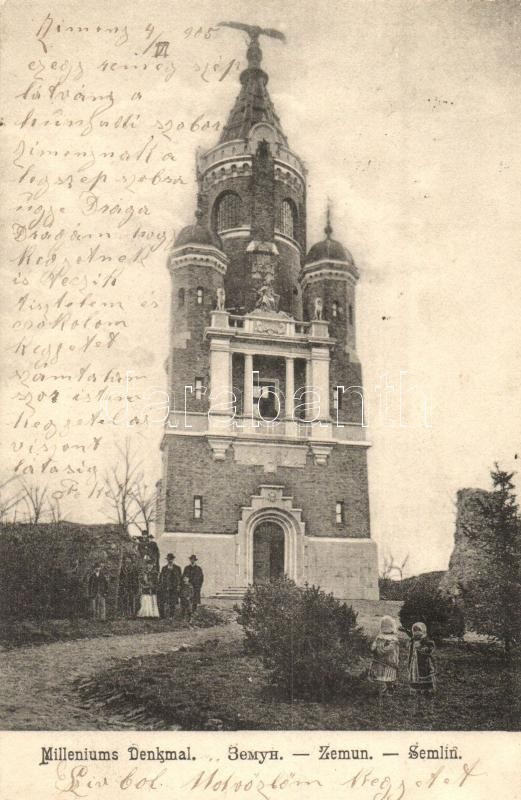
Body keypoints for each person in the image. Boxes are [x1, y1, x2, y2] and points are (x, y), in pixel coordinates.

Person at [369, 615, 400, 707]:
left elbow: (389, 649)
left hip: (388, 660)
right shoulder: (380, 636)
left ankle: (389, 687)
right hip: (381, 661)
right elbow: (374, 645)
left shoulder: (393, 639)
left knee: (388, 675)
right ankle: (384, 688)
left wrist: (378, 649)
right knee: (382, 676)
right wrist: (375, 647)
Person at [408, 621, 436, 710]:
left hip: (424, 663)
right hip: (414, 662)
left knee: (424, 676)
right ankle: (417, 690)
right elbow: (410, 652)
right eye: (414, 631)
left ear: (423, 631)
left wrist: (426, 649)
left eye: (418, 630)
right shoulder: (412, 640)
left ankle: (426, 692)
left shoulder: (426, 639)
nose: (416, 633)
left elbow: (431, 647)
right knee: (416, 677)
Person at [158, 553, 182, 618]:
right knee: (163, 601)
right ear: (167, 560)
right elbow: (161, 578)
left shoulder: (177, 568)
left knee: (173, 602)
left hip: (174, 588)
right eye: (168, 559)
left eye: (171, 559)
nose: (170, 560)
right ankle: (162, 616)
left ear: (173, 559)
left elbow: (180, 578)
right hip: (165, 587)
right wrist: (161, 585)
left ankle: (171, 616)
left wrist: (178, 586)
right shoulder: (164, 568)